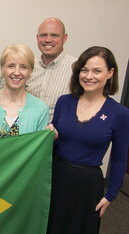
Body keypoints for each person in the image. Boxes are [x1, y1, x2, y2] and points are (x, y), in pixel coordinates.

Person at [47, 46, 129, 233]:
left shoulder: (120, 114)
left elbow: (118, 157)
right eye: (84, 70)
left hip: (88, 186)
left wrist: (111, 195)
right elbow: (55, 145)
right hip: (57, 178)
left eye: (97, 71)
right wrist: (50, 136)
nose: (89, 76)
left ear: (110, 73)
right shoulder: (64, 101)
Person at [0, 44, 48, 140]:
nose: (16, 72)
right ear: (2, 68)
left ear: (30, 71)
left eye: (23, 67)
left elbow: (38, 151)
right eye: (11, 66)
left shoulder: (40, 109)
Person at [26, 17, 77, 121]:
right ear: (37, 37)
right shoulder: (28, 66)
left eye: (54, 35)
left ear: (64, 38)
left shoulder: (77, 68)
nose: (48, 40)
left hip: (60, 134)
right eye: (43, 35)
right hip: (30, 134)